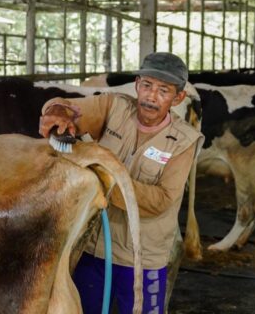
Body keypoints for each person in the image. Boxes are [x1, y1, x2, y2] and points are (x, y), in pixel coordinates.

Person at [38, 52, 204, 314]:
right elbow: (68, 106)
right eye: (147, 85)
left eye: (164, 90)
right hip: (93, 249)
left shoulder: (184, 141)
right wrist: (57, 110)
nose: (151, 96)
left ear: (178, 98)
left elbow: (160, 200)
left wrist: (102, 176)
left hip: (142, 260)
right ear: (137, 84)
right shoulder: (115, 107)